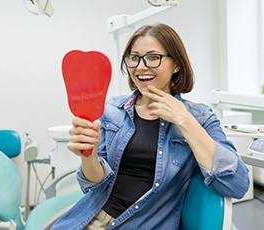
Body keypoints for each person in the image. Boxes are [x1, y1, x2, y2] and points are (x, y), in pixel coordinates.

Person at [51, 23, 250, 230]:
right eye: (134, 57)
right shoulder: (112, 110)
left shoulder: (199, 117)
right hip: (89, 218)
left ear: (177, 64)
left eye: (153, 57)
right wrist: (88, 156)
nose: (140, 66)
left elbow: (237, 184)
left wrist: (183, 119)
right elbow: (94, 185)